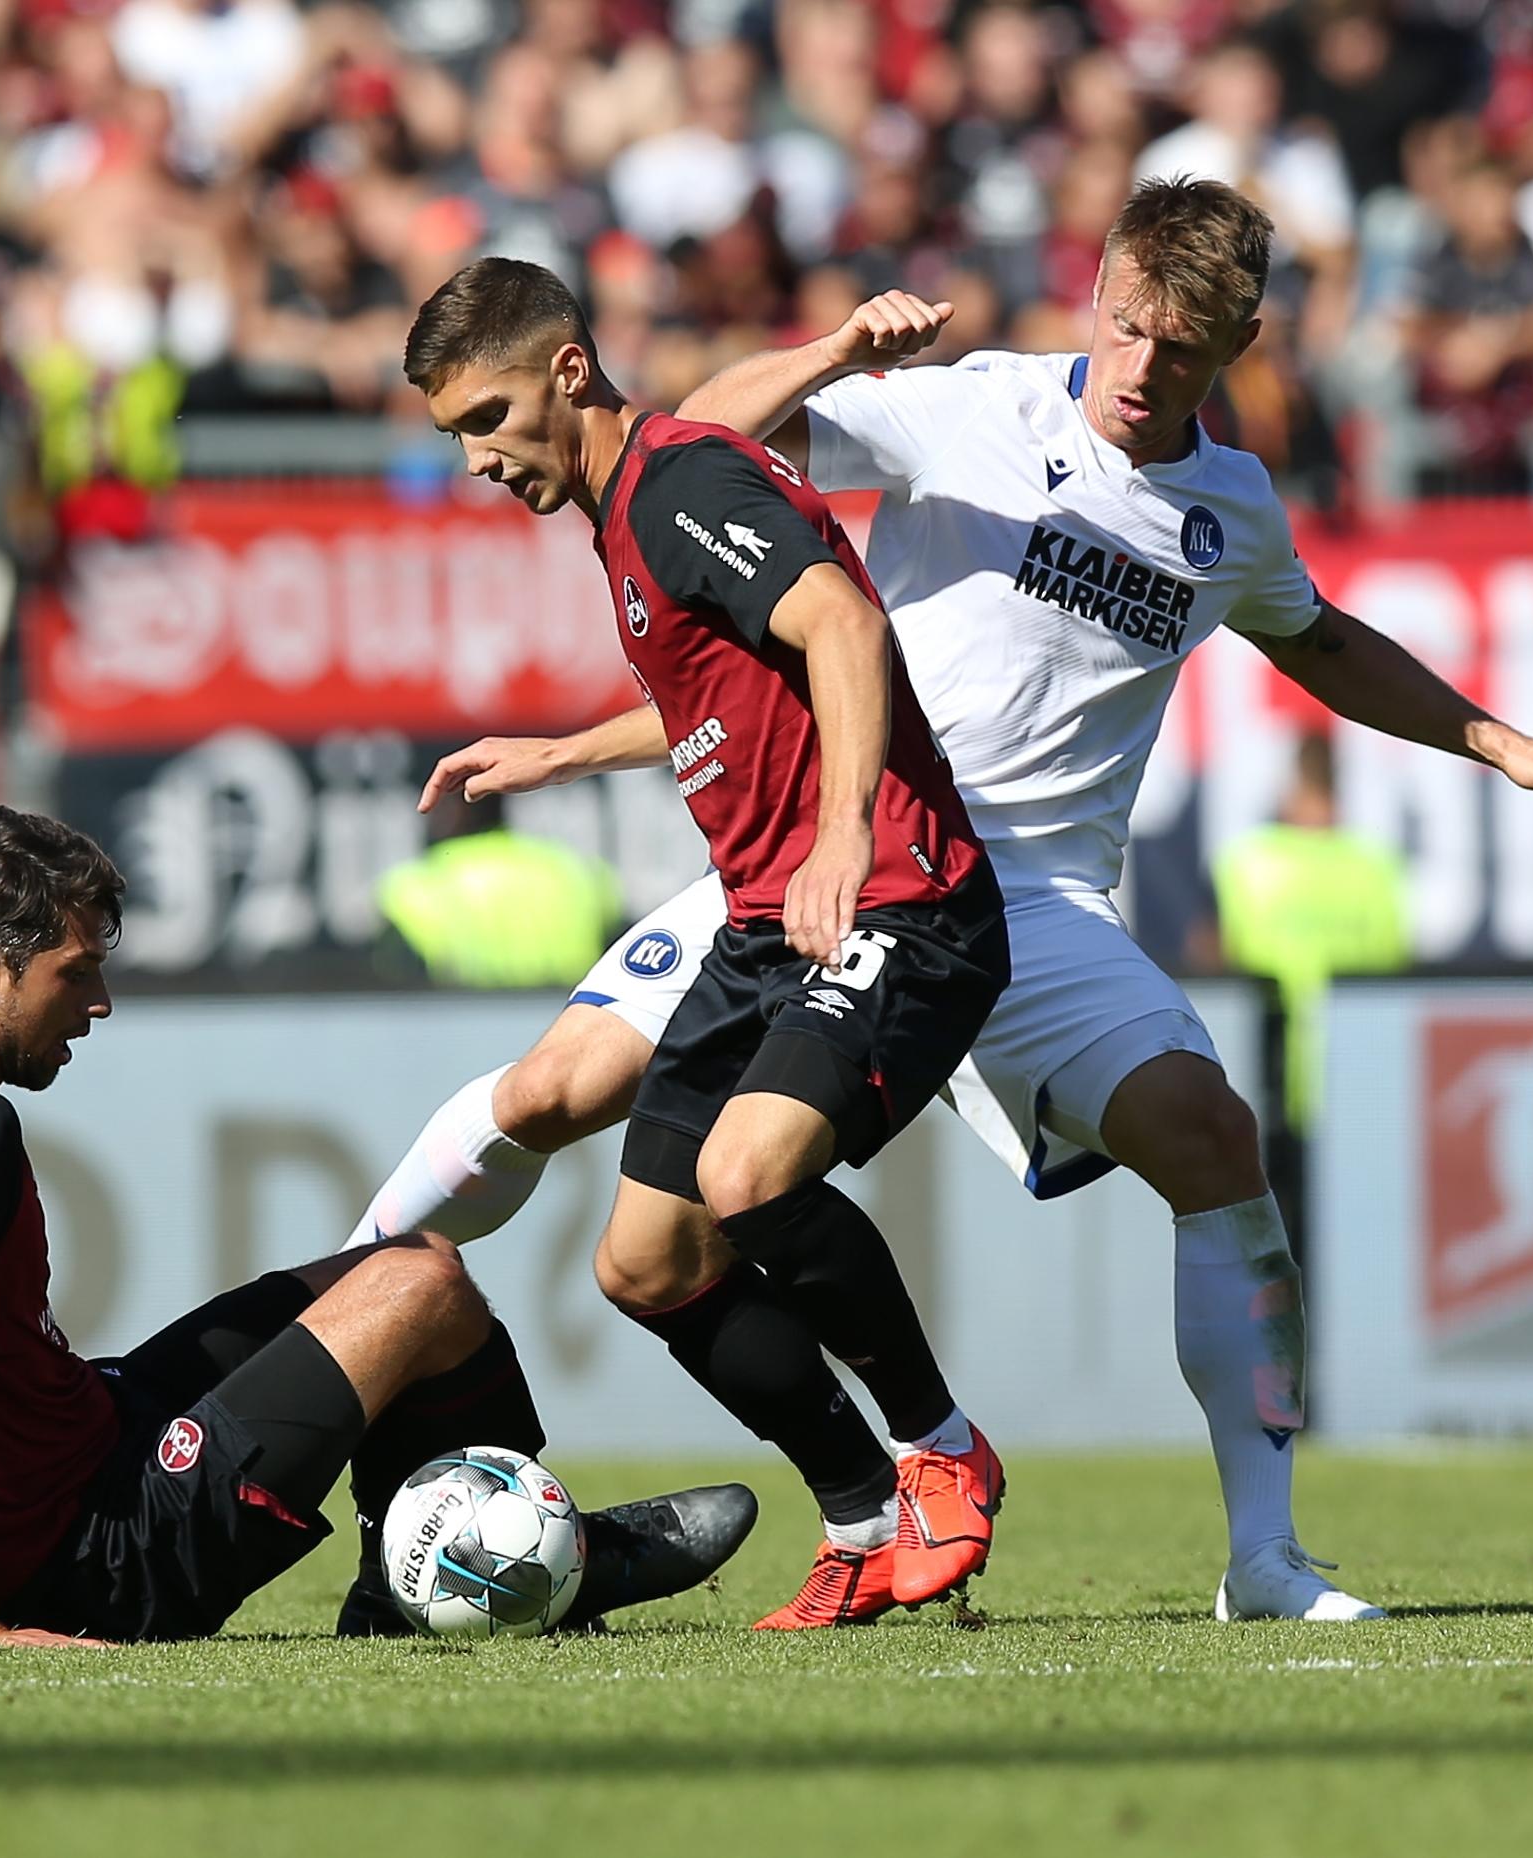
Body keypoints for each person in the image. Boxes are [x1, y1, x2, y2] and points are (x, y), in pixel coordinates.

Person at [362, 179, 1533, 1623]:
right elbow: (695, 442)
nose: (1145, 369)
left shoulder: (1231, 511)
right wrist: (837, 349)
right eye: (1130, 326)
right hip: (832, 840)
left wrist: (1500, 741)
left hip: (1025, 898)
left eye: (1186, 349)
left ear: (1242, 344)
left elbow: (1321, 642)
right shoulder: (973, 409)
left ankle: (1264, 1559)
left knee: (1213, 1137)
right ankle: (340, 1313)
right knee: (556, 1096)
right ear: (1098, 293)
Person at [0, 804, 753, 1649]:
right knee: (430, 1288)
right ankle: (552, 1566)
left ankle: (404, 1578)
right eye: (78, 973)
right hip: (98, 1561)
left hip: (90, 1440)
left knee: (384, 1270)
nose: (98, 1005)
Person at [404, 257, 1012, 1630]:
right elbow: (717, 696)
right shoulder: (627, 508)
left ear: (567, 372)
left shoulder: (678, 487)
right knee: (645, 1259)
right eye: (456, 436)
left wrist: (847, 831)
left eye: (489, 417)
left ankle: (940, 1445)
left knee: (745, 1175)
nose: (480, 458)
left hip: (899, 901)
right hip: (762, 922)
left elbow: (840, 622)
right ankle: (861, 1514)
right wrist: (564, 750)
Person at [1209, 730, 1412, 1253]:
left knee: (1276, 1249)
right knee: (1353, 1252)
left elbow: (1223, 960)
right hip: (1356, 1090)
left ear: (1290, 783)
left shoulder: (1247, 863)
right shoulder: (1376, 866)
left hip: (1265, 1085)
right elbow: (1393, 974)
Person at [376, 786, 621, 988]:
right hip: (572, 1025)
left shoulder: (417, 884)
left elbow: (397, 985)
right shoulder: (575, 868)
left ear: (453, 810)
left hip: (462, 1031)